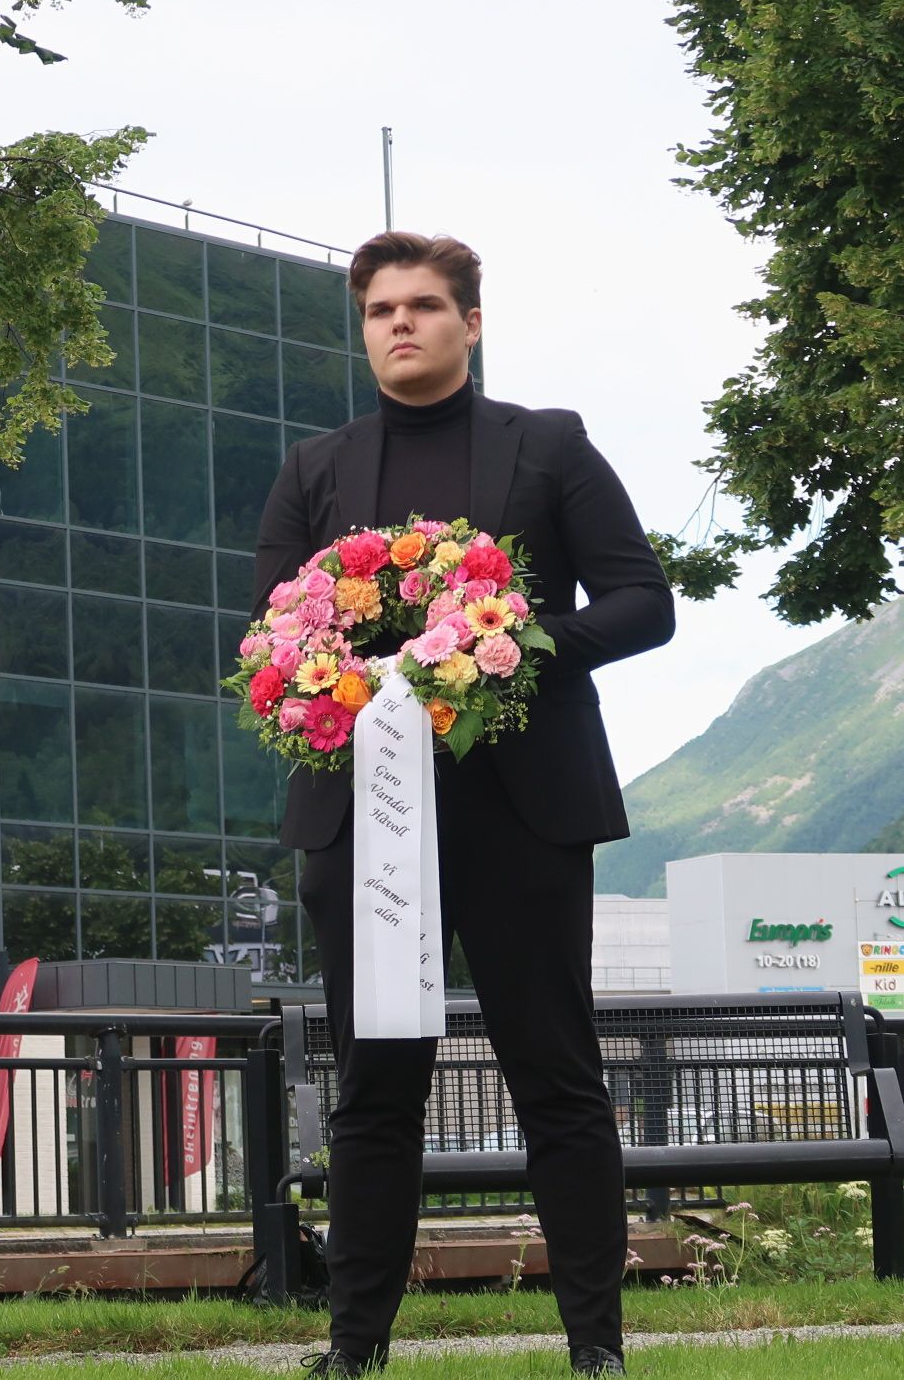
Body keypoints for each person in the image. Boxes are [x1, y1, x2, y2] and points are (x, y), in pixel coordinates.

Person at [251, 232, 673, 1377]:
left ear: (469, 323)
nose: (400, 324)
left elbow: (642, 602)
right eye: (380, 308)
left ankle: (595, 1348)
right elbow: (270, 639)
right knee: (373, 1088)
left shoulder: (547, 446)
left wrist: (511, 654)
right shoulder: (314, 470)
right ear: (362, 327)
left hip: (520, 809)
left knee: (556, 1077)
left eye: (425, 305)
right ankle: (351, 1351)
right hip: (359, 816)